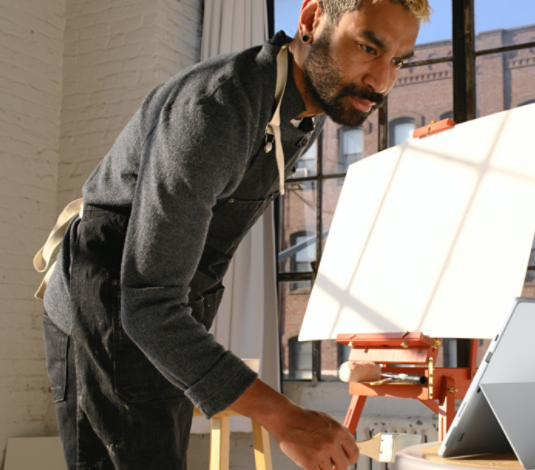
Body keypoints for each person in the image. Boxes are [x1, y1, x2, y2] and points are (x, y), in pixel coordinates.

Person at [36, 0, 428, 468]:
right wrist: (284, 416)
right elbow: (146, 305)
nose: (382, 81)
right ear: (310, 21)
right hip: (110, 305)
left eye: (398, 61)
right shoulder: (216, 110)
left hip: (167, 318)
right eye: (368, 47)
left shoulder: (311, 103)